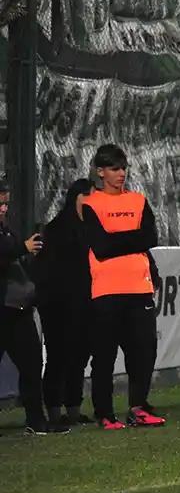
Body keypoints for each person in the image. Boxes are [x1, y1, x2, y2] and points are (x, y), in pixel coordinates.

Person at [81, 145, 166, 429]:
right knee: (104, 355)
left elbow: (151, 237)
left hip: (139, 289)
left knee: (144, 351)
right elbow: (101, 248)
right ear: (100, 171)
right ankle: (104, 413)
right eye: (114, 169)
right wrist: (133, 238)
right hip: (106, 290)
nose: (121, 174)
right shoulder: (92, 204)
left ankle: (138, 407)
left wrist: (118, 237)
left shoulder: (139, 201)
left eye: (123, 168)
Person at [0, 183, 64, 435]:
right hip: (3, 309)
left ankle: (36, 420)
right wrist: (21, 249)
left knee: (31, 364)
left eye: (5, 204)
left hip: (18, 308)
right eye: (0, 204)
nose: (4, 209)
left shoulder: (6, 230)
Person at [33, 178, 96, 429]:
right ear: (77, 197)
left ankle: (73, 408)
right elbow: (51, 268)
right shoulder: (59, 227)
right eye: (88, 196)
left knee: (80, 356)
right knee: (59, 356)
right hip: (58, 303)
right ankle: (54, 411)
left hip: (83, 301)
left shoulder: (91, 227)